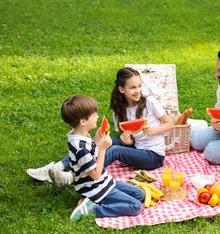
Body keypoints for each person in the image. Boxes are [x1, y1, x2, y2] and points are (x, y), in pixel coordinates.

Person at [27, 67, 174, 187]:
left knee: (115, 150)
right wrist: (126, 141)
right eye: (133, 87)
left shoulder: (150, 102)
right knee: (101, 140)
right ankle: (56, 167)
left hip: (153, 156)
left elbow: (170, 124)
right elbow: (131, 142)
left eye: (139, 86)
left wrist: (153, 131)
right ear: (121, 89)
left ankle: (72, 176)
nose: (138, 91)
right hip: (136, 148)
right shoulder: (119, 111)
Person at [61, 94, 145, 220]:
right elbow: (95, 175)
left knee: (140, 194)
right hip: (95, 189)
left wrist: (96, 141)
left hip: (105, 183)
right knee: (136, 206)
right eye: (94, 114)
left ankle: (90, 201)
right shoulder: (80, 147)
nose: (98, 116)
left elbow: (90, 156)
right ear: (83, 121)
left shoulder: (82, 136)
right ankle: (93, 209)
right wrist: (103, 149)